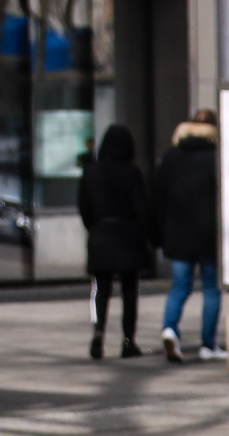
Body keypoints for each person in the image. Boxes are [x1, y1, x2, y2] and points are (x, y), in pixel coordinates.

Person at [149, 109, 223, 362]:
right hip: (209, 235)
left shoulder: (171, 157)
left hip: (178, 234)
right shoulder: (218, 158)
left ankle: (170, 329)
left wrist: (159, 232)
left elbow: (158, 197)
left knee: (179, 286)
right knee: (212, 289)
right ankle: (208, 344)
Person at [78, 124, 153, 359]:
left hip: (101, 234)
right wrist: (150, 235)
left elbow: (84, 207)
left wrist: (95, 226)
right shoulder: (132, 172)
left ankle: (99, 333)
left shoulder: (91, 172)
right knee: (130, 292)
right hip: (128, 236)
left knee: (102, 289)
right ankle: (128, 341)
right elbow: (142, 208)